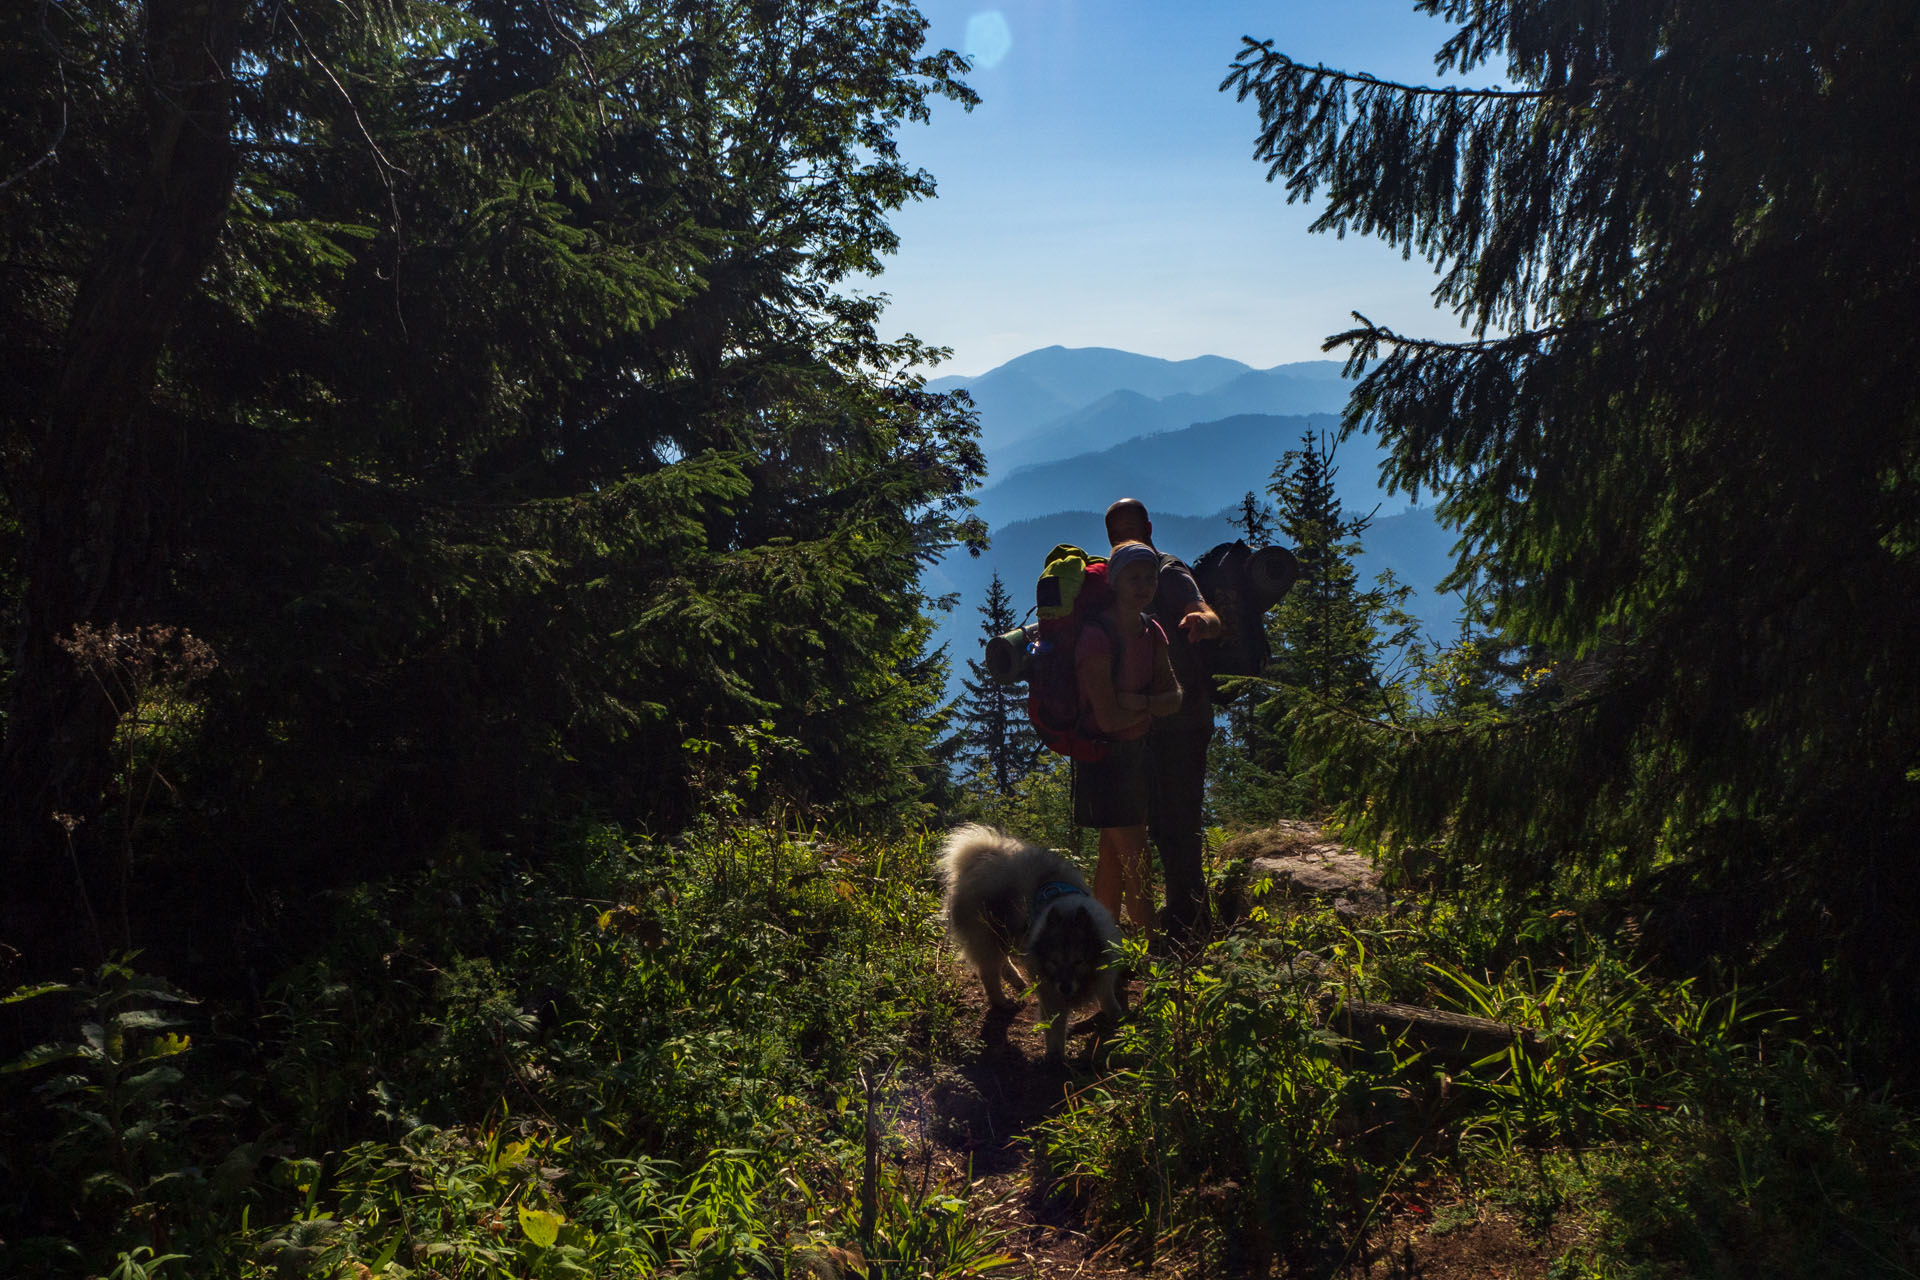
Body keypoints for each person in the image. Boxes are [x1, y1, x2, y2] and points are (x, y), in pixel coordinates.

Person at [1105, 498, 1222, 945]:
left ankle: (1190, 927)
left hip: (1185, 722)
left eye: (1131, 531)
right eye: (1117, 535)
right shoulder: (1123, 577)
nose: (1125, 540)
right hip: (1148, 725)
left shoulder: (1169, 573)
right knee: (1159, 824)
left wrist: (1202, 622)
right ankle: (1179, 921)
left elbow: (1208, 612)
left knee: (1179, 826)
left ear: (1149, 527)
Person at [1073, 540, 1182, 930]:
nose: (1144, 585)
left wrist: (1136, 702)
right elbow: (1106, 719)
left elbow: (1174, 698)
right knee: (1137, 858)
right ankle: (1153, 950)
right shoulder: (1095, 636)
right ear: (1115, 582)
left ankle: (1102, 943)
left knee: (1113, 857)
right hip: (1103, 760)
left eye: (1150, 577)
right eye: (1133, 577)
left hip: (1133, 756)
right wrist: (1148, 707)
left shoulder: (1150, 630)